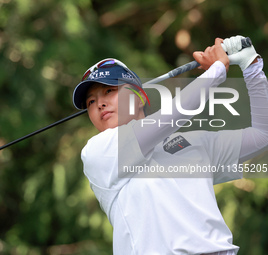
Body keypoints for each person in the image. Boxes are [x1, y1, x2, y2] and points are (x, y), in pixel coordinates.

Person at [72, 36, 268, 255]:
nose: (100, 103)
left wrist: (251, 66)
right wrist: (217, 70)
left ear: (140, 97)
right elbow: (175, 112)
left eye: (109, 91)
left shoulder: (194, 143)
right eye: (91, 101)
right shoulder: (98, 152)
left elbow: (262, 135)